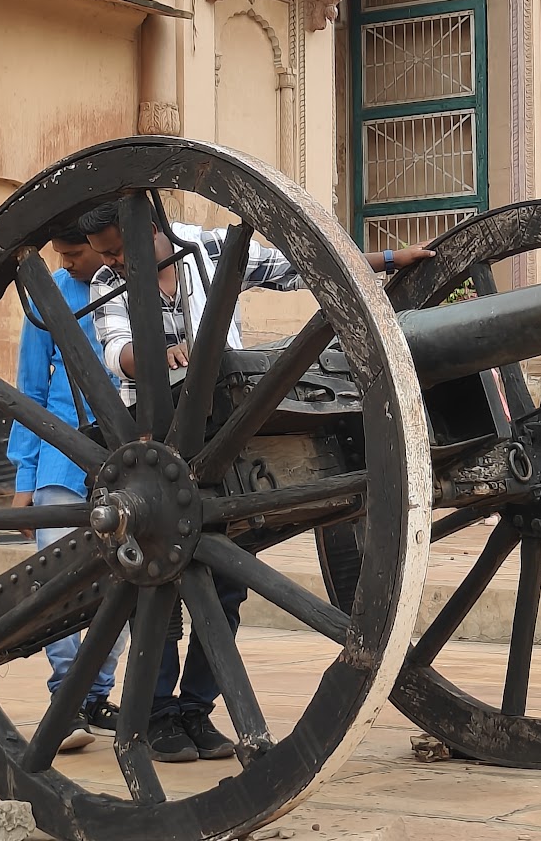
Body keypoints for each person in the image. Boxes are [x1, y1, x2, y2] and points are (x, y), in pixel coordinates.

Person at [79, 201, 433, 762]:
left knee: (225, 588)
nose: (115, 263)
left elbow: (293, 267)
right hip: (151, 443)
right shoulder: (108, 281)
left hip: (221, 435)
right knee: (160, 596)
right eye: (108, 256)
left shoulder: (208, 249)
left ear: (153, 230)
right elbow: (113, 347)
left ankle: (196, 709)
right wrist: (149, 357)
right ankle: (156, 716)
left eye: (121, 250)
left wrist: (387, 259)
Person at [6, 225, 124, 753]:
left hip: (125, 465)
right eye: (65, 255)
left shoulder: (124, 283)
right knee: (56, 583)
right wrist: (23, 482)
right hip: (60, 459)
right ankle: (65, 693)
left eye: (76, 253)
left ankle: (95, 694)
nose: (71, 263)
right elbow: (30, 390)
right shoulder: (49, 295)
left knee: (122, 587)